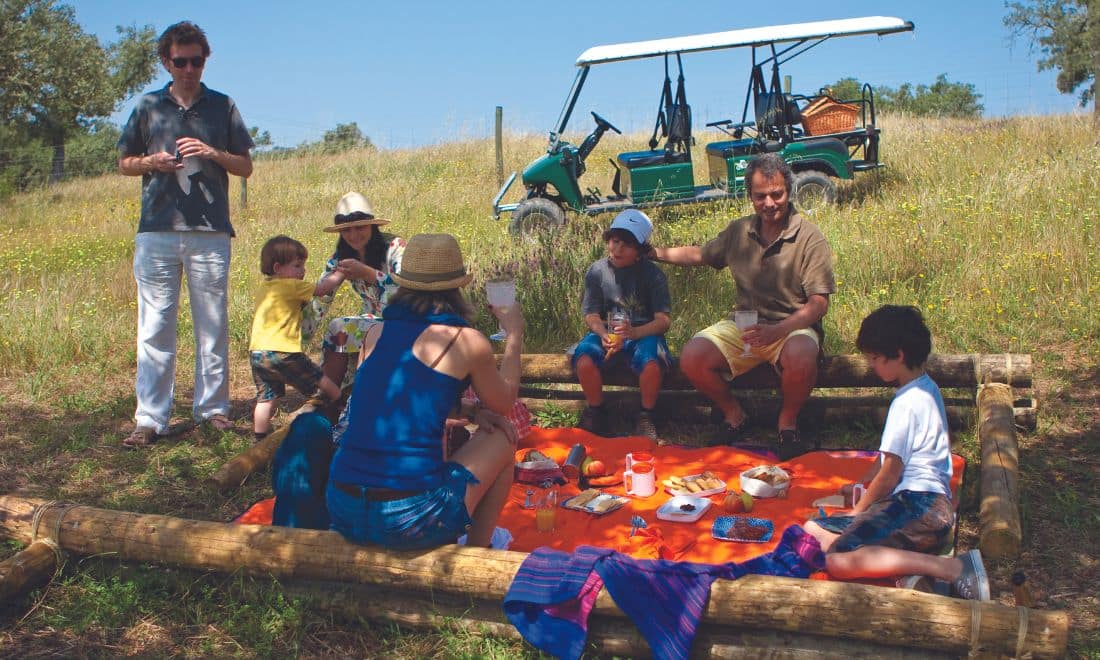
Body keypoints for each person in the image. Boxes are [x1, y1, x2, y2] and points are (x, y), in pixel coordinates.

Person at [325, 233, 524, 549]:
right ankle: (476, 553)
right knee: (503, 435)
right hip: (409, 518)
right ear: (457, 288)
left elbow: (394, 401)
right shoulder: (466, 341)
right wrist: (514, 335)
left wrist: (470, 411)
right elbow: (504, 402)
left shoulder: (376, 332)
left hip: (343, 506)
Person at [118, 21, 254, 447]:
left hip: (211, 232)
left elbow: (245, 166)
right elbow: (124, 162)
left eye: (197, 60)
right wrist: (150, 164)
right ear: (166, 61)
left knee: (211, 324)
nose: (190, 68)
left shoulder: (223, 105)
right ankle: (150, 419)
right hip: (157, 230)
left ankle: (212, 410)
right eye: (182, 61)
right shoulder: (147, 106)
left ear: (205, 59)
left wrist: (213, 153)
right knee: (155, 324)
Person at [647, 153, 834, 458]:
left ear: (789, 191)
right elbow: (700, 255)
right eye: (761, 196)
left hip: (792, 326)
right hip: (744, 324)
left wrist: (777, 330)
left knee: (801, 355)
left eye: (777, 195)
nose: (770, 203)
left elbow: (818, 305)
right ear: (750, 196)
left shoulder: (810, 237)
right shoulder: (739, 231)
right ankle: (735, 416)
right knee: (693, 355)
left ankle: (787, 425)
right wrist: (654, 252)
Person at [803, 305, 990, 600]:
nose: (872, 366)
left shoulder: (906, 404)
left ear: (898, 355)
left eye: (875, 358)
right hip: (918, 506)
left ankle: (949, 568)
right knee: (812, 529)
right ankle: (908, 571)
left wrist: (858, 508)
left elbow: (890, 474)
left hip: (919, 506)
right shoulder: (926, 387)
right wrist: (861, 483)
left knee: (837, 560)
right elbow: (884, 460)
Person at [572, 210, 672, 440]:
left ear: (639, 251)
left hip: (642, 331)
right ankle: (596, 411)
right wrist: (601, 332)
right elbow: (591, 314)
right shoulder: (597, 272)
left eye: (626, 245)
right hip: (607, 331)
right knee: (584, 359)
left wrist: (635, 333)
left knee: (651, 364)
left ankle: (647, 414)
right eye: (615, 242)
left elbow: (663, 321)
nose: (617, 250)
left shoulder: (653, 275)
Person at [302, 192, 405, 392]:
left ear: (373, 226)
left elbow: (410, 290)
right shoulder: (340, 258)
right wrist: (291, 347)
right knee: (340, 329)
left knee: (340, 327)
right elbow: (320, 301)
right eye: (347, 230)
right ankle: (329, 398)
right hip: (373, 320)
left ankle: (328, 399)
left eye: (360, 227)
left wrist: (370, 274)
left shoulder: (395, 247)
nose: (354, 235)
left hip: (405, 320)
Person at [249, 236, 345, 440]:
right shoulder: (291, 285)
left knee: (266, 398)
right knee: (320, 379)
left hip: (257, 352)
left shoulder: (264, 288)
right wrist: (340, 273)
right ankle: (342, 405)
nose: (303, 271)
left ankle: (258, 438)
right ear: (278, 267)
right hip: (283, 351)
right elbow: (322, 290)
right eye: (297, 265)